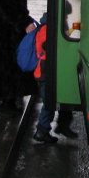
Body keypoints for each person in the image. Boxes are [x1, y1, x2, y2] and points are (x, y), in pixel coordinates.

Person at [32, 8, 78, 143]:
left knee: (61, 98)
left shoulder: (53, 25)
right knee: (49, 103)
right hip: (46, 73)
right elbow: (48, 45)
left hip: (50, 71)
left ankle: (62, 126)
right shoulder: (47, 28)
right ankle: (42, 131)